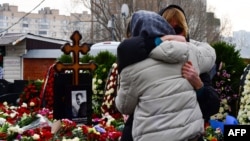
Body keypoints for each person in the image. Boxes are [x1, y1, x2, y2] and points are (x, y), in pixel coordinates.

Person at [117, 5, 220, 141]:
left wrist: (199, 86)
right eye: (169, 29)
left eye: (178, 29)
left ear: (186, 30)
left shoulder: (192, 59)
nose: (173, 35)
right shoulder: (139, 58)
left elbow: (213, 106)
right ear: (160, 29)